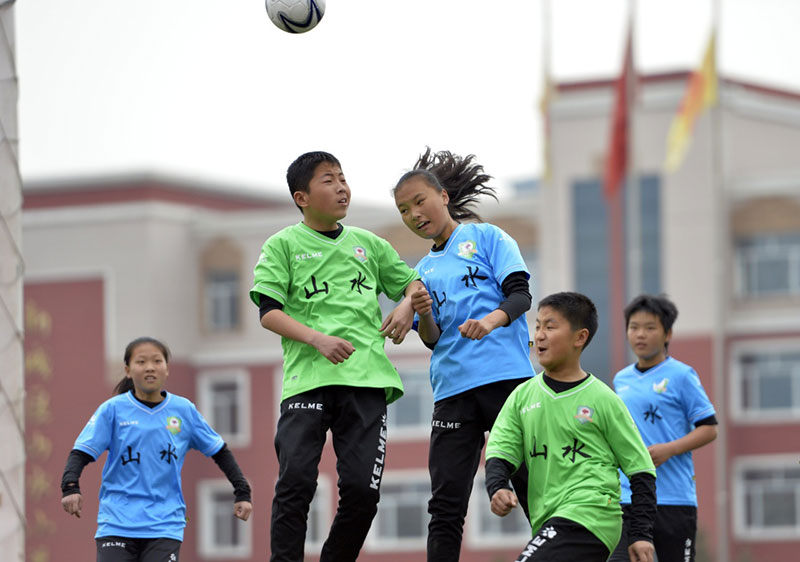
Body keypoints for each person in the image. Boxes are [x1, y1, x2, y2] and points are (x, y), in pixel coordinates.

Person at [249, 151, 423, 562]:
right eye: (328, 180)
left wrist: (406, 306)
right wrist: (317, 340)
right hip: (307, 382)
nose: (342, 187)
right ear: (302, 197)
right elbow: (269, 313)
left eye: (342, 178)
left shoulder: (370, 244)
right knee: (296, 483)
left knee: (363, 492)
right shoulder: (282, 245)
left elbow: (414, 283)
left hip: (367, 383)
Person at [392, 148, 535, 562]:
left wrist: (490, 322)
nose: (415, 214)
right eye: (404, 210)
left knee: (532, 486)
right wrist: (422, 314)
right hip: (452, 390)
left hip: (507, 381)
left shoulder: (487, 237)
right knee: (445, 504)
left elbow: (521, 296)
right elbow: (433, 340)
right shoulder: (421, 272)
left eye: (420, 201)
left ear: (444, 197)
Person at [485, 292, 657, 562]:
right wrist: (498, 487)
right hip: (548, 521)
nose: (540, 335)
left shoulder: (603, 399)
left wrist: (641, 534)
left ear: (580, 338)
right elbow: (500, 450)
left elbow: (641, 470)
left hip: (593, 514)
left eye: (550, 327)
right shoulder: (522, 396)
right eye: (538, 325)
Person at [60, 336, 252, 562]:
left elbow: (219, 451)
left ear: (167, 369)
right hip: (117, 522)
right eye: (141, 362)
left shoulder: (183, 410)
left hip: (165, 524)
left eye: (157, 361)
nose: (150, 367)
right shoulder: (112, 410)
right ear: (128, 370)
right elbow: (81, 452)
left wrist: (242, 492)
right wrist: (70, 487)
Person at [608, 294, 718, 562]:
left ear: (667, 333)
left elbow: (709, 428)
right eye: (634, 327)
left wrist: (669, 449)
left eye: (650, 327)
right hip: (628, 496)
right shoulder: (621, 379)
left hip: (673, 498)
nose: (640, 335)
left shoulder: (682, 375)